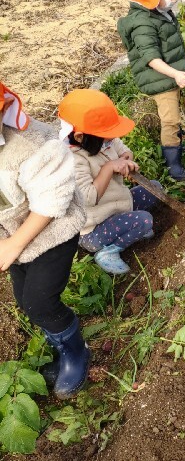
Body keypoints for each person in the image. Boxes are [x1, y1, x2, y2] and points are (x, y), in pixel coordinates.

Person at [0, 81, 89, 399]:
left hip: (53, 229)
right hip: (15, 233)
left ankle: (77, 353)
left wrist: (13, 245)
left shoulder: (32, 146)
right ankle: (60, 345)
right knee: (26, 300)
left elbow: (52, 202)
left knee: (40, 301)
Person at [58, 89, 162, 276]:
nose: (111, 141)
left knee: (155, 188)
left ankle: (131, 225)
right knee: (145, 220)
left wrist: (126, 160)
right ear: (81, 137)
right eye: (106, 139)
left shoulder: (103, 140)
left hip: (118, 205)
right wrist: (109, 168)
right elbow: (88, 198)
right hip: (95, 229)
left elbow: (124, 150)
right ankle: (109, 251)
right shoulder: (73, 160)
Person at [117, 0, 185, 182]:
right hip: (157, 78)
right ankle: (174, 167)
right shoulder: (142, 23)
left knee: (174, 118)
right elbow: (151, 58)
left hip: (166, 74)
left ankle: (177, 146)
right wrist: (176, 73)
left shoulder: (158, 12)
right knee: (170, 120)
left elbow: (169, 47)